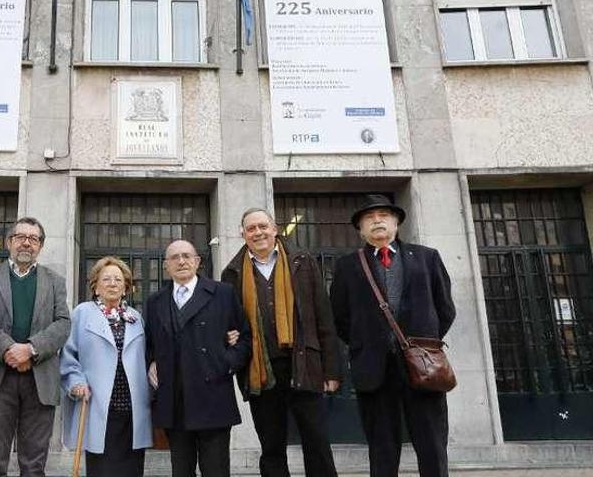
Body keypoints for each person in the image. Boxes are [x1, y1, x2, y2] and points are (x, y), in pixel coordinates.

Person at [330, 194, 456, 477]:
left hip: (423, 367)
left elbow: (445, 309)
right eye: (369, 218)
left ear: (396, 223)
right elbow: (340, 317)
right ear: (360, 229)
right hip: (374, 369)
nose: (377, 221)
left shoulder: (426, 257)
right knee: (382, 447)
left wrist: (423, 344)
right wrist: (367, 344)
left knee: (432, 444)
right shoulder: (348, 266)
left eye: (384, 215)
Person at [221, 208, 341, 477]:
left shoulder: (303, 261)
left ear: (275, 229)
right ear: (243, 234)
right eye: (251, 229)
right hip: (261, 371)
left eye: (263, 226)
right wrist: (228, 336)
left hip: (305, 364)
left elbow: (323, 316)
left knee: (317, 441)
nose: (258, 232)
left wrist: (331, 369)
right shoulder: (232, 273)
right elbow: (228, 322)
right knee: (272, 446)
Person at [0, 216, 71, 477]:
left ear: (40, 246)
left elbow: (62, 323)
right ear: (8, 242)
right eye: (20, 237)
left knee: (34, 463)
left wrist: (31, 349)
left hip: (39, 378)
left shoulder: (55, 281)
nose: (26, 243)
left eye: (33, 239)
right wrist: (8, 349)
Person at [144, 239, 251, 477]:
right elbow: (149, 343)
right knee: (181, 471)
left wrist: (227, 362)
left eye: (186, 256)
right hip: (174, 400)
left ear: (197, 261)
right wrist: (151, 361)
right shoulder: (155, 302)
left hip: (213, 396)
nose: (181, 261)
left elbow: (244, 336)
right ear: (166, 266)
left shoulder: (222, 293)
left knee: (216, 470)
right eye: (174, 257)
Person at [60, 256, 152, 476]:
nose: (113, 284)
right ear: (96, 286)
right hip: (99, 406)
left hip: (132, 408)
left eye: (118, 280)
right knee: (102, 469)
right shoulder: (82, 313)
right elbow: (68, 355)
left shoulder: (135, 317)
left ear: (126, 287)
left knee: (132, 469)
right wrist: (76, 383)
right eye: (107, 279)